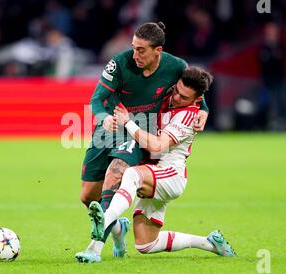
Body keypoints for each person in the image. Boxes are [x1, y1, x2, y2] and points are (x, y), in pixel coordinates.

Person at [76, 22, 210, 262]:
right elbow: (97, 100)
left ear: (157, 50)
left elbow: (193, 87)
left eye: (141, 50)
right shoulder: (119, 62)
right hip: (109, 125)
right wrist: (104, 118)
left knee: (115, 175)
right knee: (87, 196)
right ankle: (118, 229)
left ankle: (94, 249)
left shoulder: (176, 65)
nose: (135, 54)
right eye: (133, 48)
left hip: (139, 129)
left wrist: (205, 111)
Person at [77, 67, 236, 263]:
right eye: (176, 90)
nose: (176, 97)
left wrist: (128, 122)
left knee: (131, 175)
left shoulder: (188, 117)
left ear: (197, 100)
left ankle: (106, 221)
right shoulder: (169, 96)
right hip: (152, 173)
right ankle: (210, 243)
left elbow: (157, 145)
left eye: (183, 97)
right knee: (146, 244)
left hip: (169, 175)